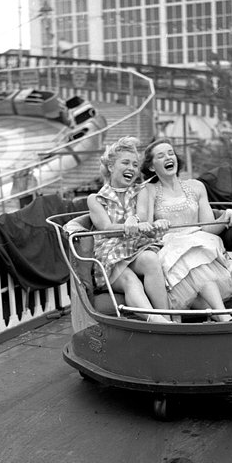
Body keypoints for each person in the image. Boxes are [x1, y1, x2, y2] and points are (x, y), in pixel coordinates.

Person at [137, 138, 232, 322]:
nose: (168, 157)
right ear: (152, 167)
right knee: (192, 260)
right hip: (170, 248)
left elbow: (209, 228)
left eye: (171, 153)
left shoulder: (196, 186)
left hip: (201, 241)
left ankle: (219, 317)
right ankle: (222, 316)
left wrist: (225, 217)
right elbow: (144, 227)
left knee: (197, 257)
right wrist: (156, 224)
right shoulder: (149, 190)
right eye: (161, 156)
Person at [86, 136, 171, 323]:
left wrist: (140, 221)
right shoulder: (96, 199)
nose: (131, 168)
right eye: (125, 163)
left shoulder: (140, 191)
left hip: (134, 246)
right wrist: (126, 225)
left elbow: (141, 216)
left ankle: (168, 318)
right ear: (111, 167)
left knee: (150, 259)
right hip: (111, 252)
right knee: (129, 280)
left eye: (134, 164)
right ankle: (159, 323)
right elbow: (106, 228)